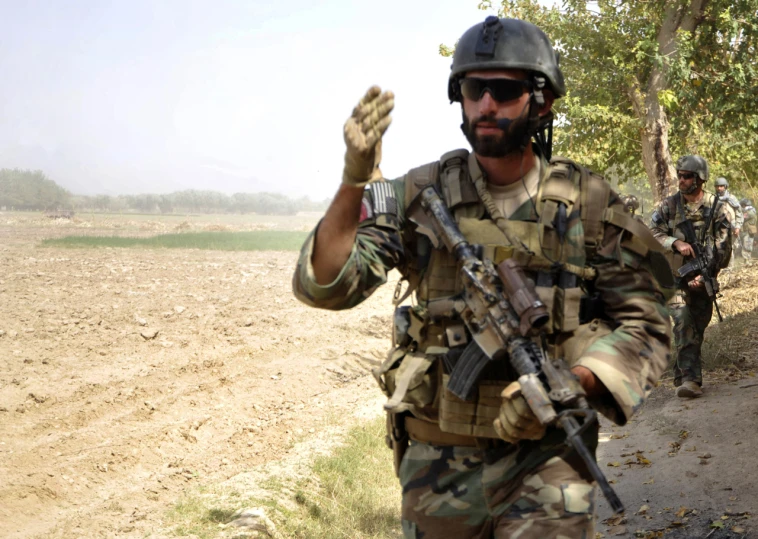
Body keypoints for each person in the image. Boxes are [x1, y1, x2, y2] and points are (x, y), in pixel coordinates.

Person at [293, 16, 672, 538]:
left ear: (542, 103)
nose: (486, 105)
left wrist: (570, 381)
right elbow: (327, 284)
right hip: (438, 463)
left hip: (548, 461)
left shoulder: (588, 204)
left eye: (505, 90)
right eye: (474, 89)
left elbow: (647, 325)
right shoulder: (417, 195)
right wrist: (354, 180)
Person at [649, 156, 732, 399]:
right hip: (674, 278)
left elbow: (723, 248)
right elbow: (651, 232)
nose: (682, 180)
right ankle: (690, 380)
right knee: (683, 320)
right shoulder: (669, 206)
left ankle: (682, 372)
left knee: (697, 326)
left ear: (700, 179)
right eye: (680, 175)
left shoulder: (718, 209)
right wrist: (674, 242)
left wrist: (705, 273)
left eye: (687, 176)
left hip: (704, 276)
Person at [715, 177, 743, 268]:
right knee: (718, 248)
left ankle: (729, 269)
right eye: (717, 186)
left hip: (732, 227)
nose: (719, 188)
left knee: (730, 248)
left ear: (725, 187)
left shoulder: (732, 198)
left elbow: (739, 213)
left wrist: (738, 227)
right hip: (718, 228)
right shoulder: (713, 198)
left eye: (721, 186)